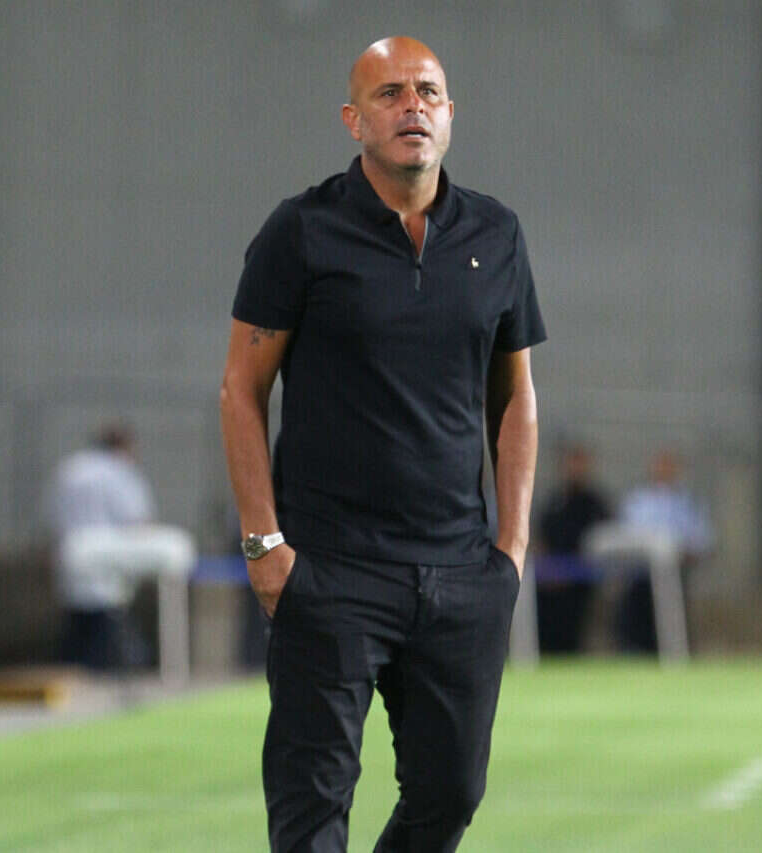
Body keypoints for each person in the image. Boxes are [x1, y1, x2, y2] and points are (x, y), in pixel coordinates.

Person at [219, 36, 545, 852]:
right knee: (311, 809)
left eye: (428, 92)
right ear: (353, 120)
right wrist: (264, 544)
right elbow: (241, 390)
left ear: (451, 113)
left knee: (451, 793)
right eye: (390, 93)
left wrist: (511, 546)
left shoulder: (497, 233)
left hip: (459, 571)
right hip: (330, 569)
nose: (413, 107)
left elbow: (515, 397)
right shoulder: (302, 231)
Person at [46, 422, 189, 671]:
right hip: (106, 552)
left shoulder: (70, 469)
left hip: (72, 549)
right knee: (107, 614)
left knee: (81, 617)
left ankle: (76, 666)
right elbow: (137, 521)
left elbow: (51, 517)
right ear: (124, 447)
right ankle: (116, 664)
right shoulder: (120, 470)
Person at [614, 449, 713, 653]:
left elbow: (701, 539)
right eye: (660, 465)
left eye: (669, 466)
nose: (664, 470)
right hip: (640, 574)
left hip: (674, 573)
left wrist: (684, 554)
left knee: (672, 620)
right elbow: (625, 533)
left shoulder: (688, 503)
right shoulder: (638, 501)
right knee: (636, 619)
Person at [534, 442, 614, 653]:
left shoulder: (595, 503)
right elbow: (542, 536)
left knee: (572, 611)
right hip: (551, 572)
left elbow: (602, 539)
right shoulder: (554, 500)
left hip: (581, 573)